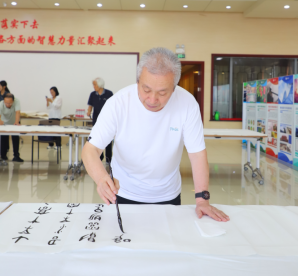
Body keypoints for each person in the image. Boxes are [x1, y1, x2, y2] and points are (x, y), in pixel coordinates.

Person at [81, 47, 229, 222]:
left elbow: (197, 154)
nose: (152, 100)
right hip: (123, 192)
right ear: (138, 81)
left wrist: (202, 200)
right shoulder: (118, 103)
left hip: (168, 194)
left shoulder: (187, 104)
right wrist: (101, 178)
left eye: (162, 93)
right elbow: (90, 150)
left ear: (174, 88)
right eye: (146, 89)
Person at [87, 77, 114, 166]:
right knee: (97, 140)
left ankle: (108, 158)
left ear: (100, 85)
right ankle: (99, 157)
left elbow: (113, 106)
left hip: (107, 121)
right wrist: (88, 111)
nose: (93, 86)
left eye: (95, 84)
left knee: (108, 140)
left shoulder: (109, 93)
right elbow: (90, 106)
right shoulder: (92, 94)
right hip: (96, 121)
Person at [0, 93, 23, 163]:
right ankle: (3, 156)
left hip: (14, 122)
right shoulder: (0, 105)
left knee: (15, 139)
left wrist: (16, 122)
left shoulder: (17, 101)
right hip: (4, 123)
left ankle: (16, 156)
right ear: (4, 101)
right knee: (4, 139)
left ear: (13, 101)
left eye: (10, 103)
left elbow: (17, 112)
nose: (8, 105)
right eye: (6, 103)